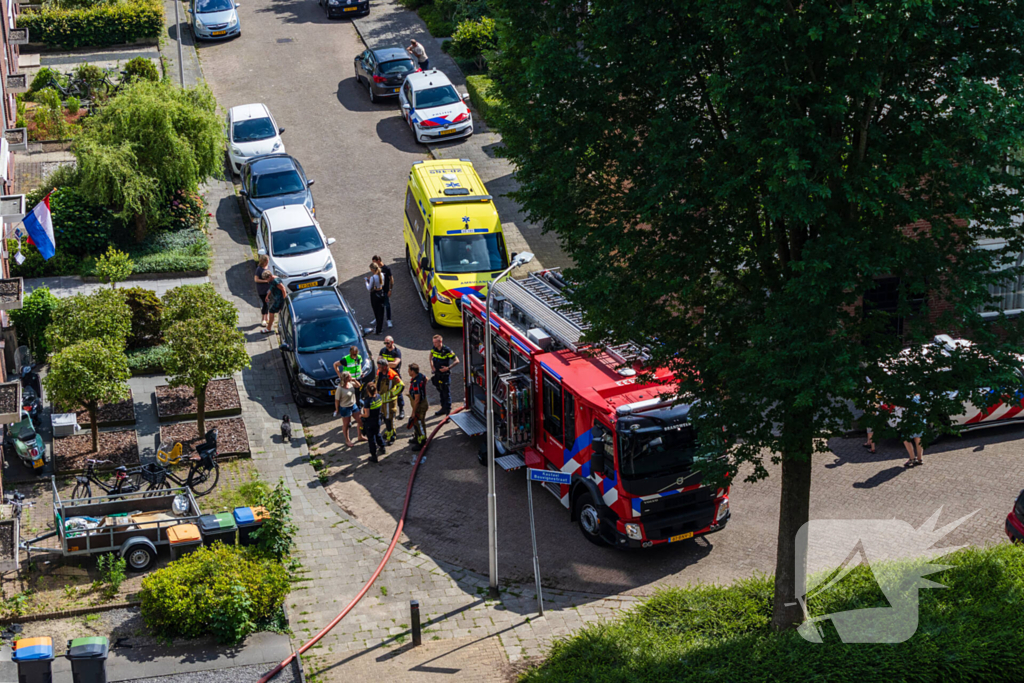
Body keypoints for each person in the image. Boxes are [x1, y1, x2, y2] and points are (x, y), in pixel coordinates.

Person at [375, 357, 405, 446]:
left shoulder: (392, 375)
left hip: (389, 401)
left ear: (385, 367)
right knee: (385, 417)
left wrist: (393, 394)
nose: (378, 368)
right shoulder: (379, 372)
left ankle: (392, 435)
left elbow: (401, 386)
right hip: (382, 400)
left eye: (379, 367)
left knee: (390, 418)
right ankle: (388, 432)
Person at [429, 334, 459, 416]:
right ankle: (443, 408)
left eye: (435, 342)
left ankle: (448, 412)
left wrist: (448, 368)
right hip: (437, 374)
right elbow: (430, 356)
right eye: (433, 342)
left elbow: (457, 360)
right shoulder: (434, 349)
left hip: (445, 375)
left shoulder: (446, 350)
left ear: (440, 342)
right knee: (441, 392)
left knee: (446, 393)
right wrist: (432, 367)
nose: (434, 344)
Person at [332, 371, 361, 447]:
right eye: (349, 376)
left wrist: (355, 380)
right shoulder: (340, 388)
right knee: (346, 424)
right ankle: (347, 440)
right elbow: (337, 400)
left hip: (353, 405)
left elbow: (358, 386)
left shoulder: (351, 383)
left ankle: (360, 436)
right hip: (345, 408)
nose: (351, 377)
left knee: (360, 420)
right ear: (345, 378)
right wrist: (337, 409)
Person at [380, 336, 405, 420]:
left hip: (394, 375)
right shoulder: (383, 351)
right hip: (385, 375)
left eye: (388, 343)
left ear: (392, 342)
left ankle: (401, 409)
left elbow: (395, 364)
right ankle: (383, 411)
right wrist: (386, 364)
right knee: (383, 391)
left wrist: (384, 363)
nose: (386, 345)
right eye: (385, 343)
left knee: (398, 392)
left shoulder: (397, 352)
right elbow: (378, 362)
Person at [361, 383, 386, 462]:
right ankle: (382, 447)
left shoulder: (367, 401)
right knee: (377, 433)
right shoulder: (379, 397)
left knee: (371, 439)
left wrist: (361, 415)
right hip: (377, 419)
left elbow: (367, 414)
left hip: (370, 422)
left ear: (367, 391)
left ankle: (374, 456)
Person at [407, 363, 428, 447]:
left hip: (420, 406)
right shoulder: (421, 375)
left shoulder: (416, 383)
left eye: (409, 370)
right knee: (416, 422)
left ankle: (422, 441)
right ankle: (416, 437)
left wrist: (413, 412)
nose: (408, 372)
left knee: (419, 423)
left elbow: (417, 399)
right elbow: (426, 379)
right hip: (422, 402)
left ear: (413, 371)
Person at [371, 255, 394, 329]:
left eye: (374, 262)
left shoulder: (387, 269)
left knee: (387, 305)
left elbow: (391, 279)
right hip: (378, 291)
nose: (374, 264)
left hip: (385, 290)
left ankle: (389, 320)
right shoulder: (376, 269)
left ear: (378, 261)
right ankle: (377, 318)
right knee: (377, 306)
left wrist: (390, 289)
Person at [364, 262, 387, 336]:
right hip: (381, 293)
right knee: (381, 311)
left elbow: (369, 288)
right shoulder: (382, 275)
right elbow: (382, 284)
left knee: (376, 311)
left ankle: (378, 328)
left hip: (375, 295)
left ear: (373, 269)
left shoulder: (373, 277)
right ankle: (380, 328)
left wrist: (366, 282)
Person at [255, 255, 272, 330]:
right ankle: (263, 319)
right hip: (262, 290)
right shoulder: (259, 269)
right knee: (265, 303)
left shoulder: (268, 267)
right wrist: (265, 281)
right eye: (267, 260)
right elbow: (256, 279)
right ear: (264, 261)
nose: (268, 261)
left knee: (267, 303)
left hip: (268, 289)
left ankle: (266, 317)